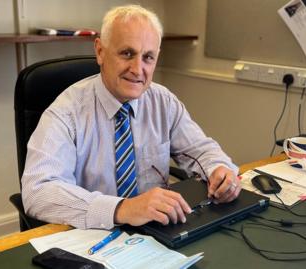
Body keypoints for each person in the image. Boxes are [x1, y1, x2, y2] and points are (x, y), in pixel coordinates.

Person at [21, 5, 241, 230]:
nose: (138, 69)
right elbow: (38, 191)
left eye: (148, 57)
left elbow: (201, 150)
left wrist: (219, 170)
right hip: (93, 236)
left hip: (158, 231)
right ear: (100, 51)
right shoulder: (66, 112)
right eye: (127, 53)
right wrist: (122, 209)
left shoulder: (163, 102)